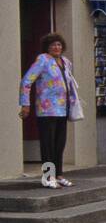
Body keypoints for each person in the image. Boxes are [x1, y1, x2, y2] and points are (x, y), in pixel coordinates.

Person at [19, 32, 80, 188]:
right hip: (46, 109)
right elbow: (26, 81)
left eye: (59, 44)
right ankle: (48, 176)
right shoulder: (42, 60)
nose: (56, 47)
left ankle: (58, 174)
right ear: (47, 47)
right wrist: (25, 104)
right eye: (53, 45)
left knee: (60, 143)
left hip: (62, 108)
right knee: (48, 144)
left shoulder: (65, 62)